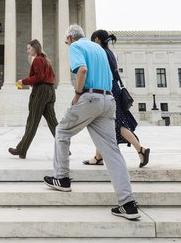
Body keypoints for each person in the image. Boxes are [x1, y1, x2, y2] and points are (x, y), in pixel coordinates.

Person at [44, 24, 140, 220]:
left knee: (61, 132)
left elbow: (82, 70)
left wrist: (77, 94)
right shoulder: (99, 49)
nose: (66, 43)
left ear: (71, 38)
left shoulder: (76, 47)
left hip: (90, 97)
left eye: (66, 41)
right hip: (108, 101)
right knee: (111, 151)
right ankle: (127, 204)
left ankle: (61, 178)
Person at [83, 30, 150, 167]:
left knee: (118, 124)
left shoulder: (100, 53)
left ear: (96, 40)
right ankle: (98, 157)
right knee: (101, 122)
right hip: (114, 88)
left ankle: (140, 149)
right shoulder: (111, 53)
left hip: (107, 88)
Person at [9, 39, 58, 159]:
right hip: (50, 91)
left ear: (35, 48)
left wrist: (23, 81)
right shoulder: (46, 60)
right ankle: (65, 149)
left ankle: (21, 149)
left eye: (29, 49)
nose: (27, 51)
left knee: (32, 121)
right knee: (53, 122)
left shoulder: (37, 60)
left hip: (40, 91)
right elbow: (52, 76)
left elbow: (39, 76)